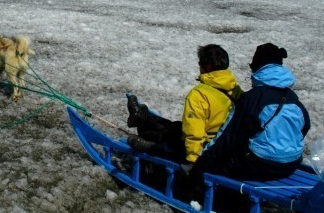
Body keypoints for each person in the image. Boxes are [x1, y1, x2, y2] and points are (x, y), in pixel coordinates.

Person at [190, 43, 311, 182]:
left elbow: (228, 138)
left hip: (261, 165)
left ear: (258, 67)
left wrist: (200, 166)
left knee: (224, 162)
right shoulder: (292, 97)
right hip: (291, 164)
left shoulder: (253, 99)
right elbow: (305, 126)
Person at [125, 44, 242, 170]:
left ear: (206, 66)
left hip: (205, 149)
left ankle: (148, 142)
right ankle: (142, 117)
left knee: (169, 135)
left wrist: (193, 161)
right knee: (175, 127)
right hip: (222, 145)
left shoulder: (199, 94)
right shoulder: (236, 91)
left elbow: (194, 133)